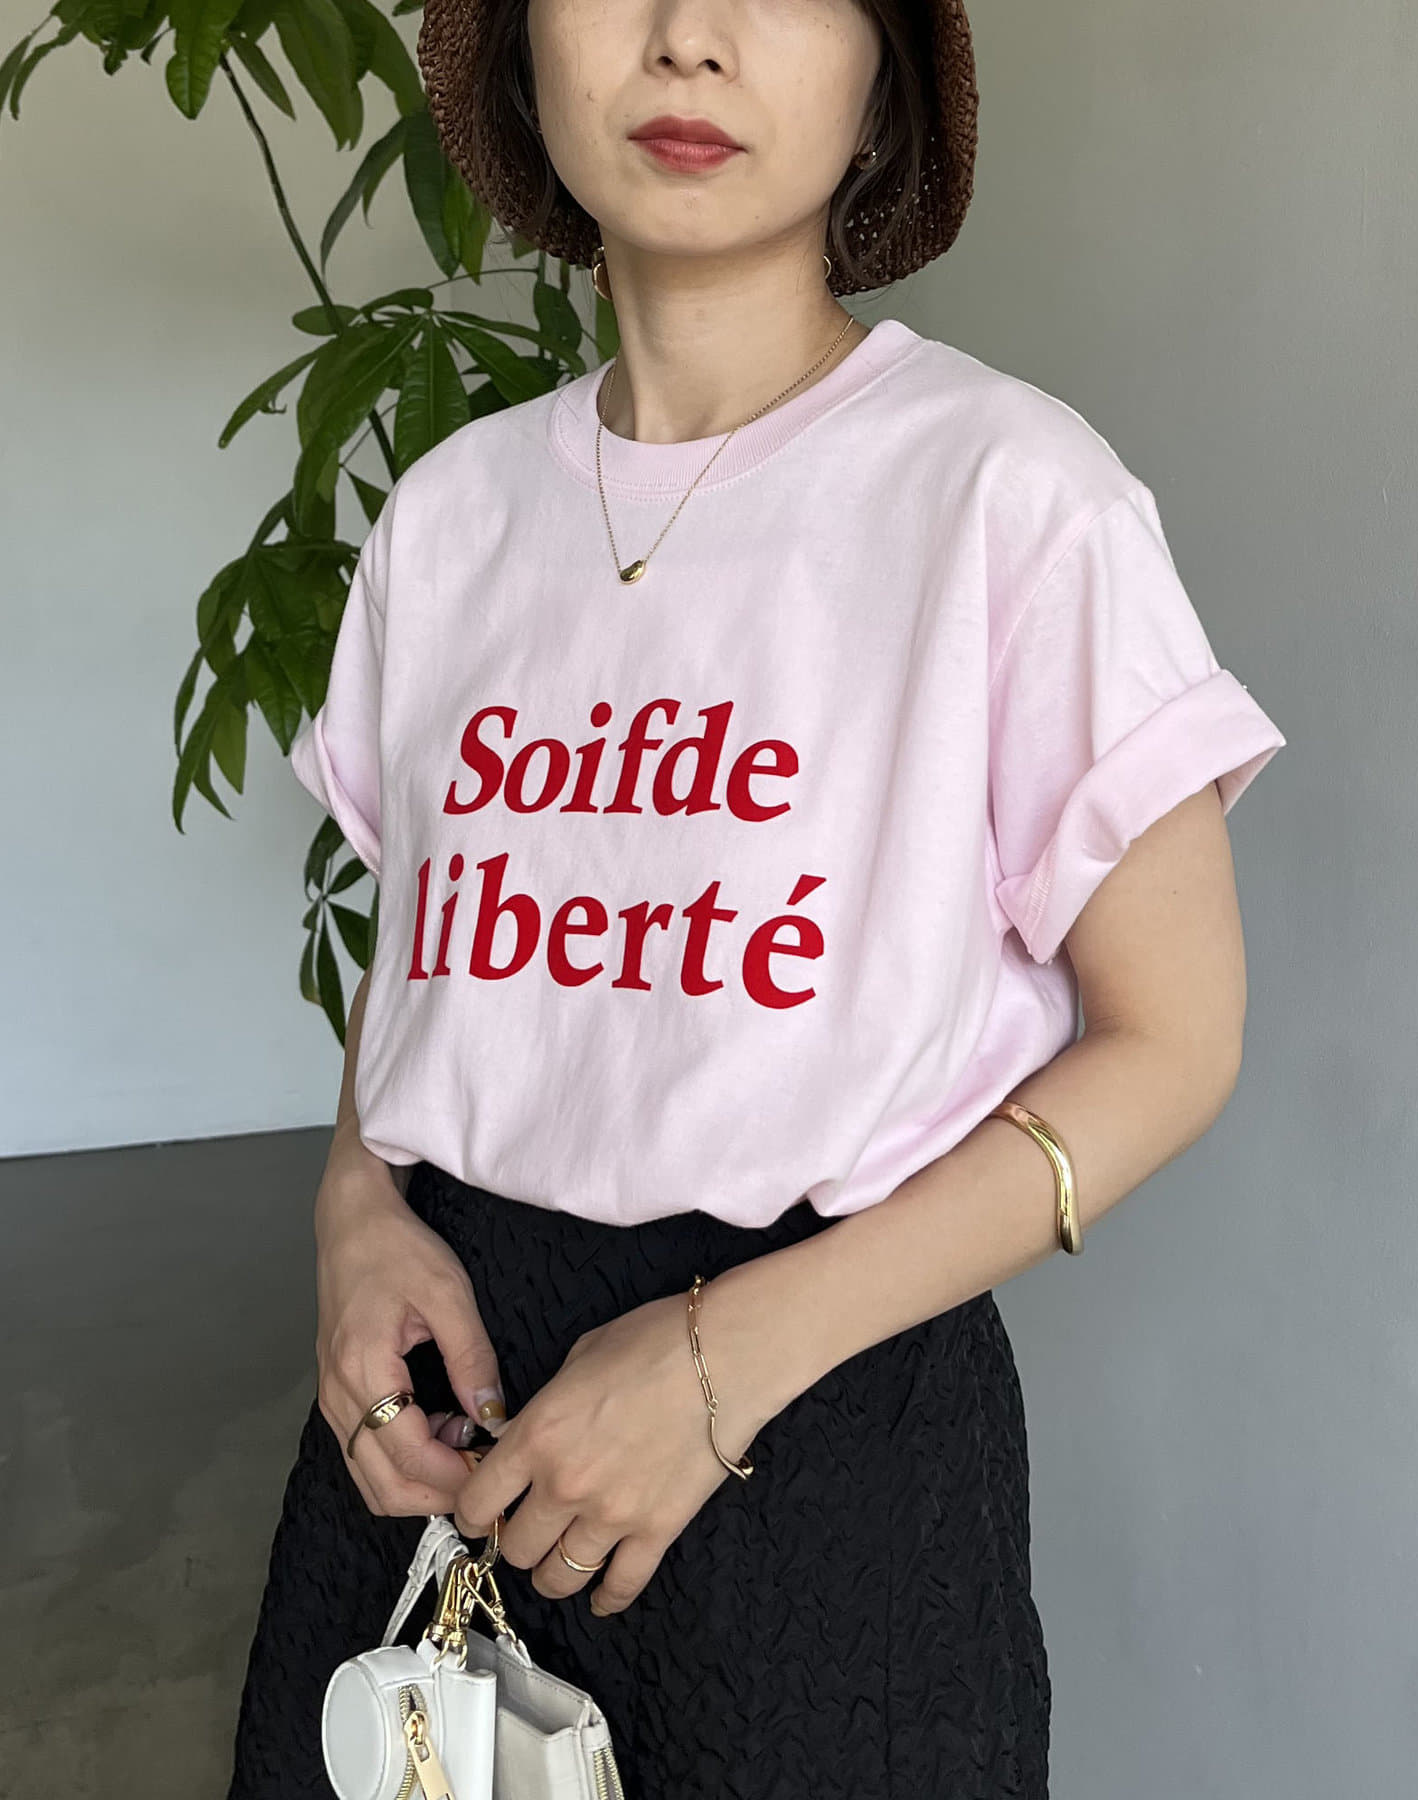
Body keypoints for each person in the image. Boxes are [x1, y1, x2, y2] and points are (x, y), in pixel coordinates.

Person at [227, 1, 1287, 1795]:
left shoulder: (1013, 497)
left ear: (883, 84)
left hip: (820, 1428)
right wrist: (353, 1204)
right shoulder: (450, 518)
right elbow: (434, 948)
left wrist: (724, 1362)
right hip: (434, 1412)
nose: (689, 39)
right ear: (520, 55)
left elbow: (1176, 1043)